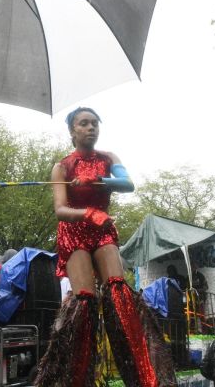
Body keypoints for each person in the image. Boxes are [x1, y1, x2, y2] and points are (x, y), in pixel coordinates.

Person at [34, 107, 176, 386]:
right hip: (75, 230)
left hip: (102, 231)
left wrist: (97, 180)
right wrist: (87, 213)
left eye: (94, 123)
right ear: (72, 132)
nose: (91, 128)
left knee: (118, 290)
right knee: (84, 301)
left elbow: (127, 184)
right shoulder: (62, 167)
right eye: (84, 124)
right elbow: (61, 210)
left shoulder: (109, 159)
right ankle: (73, 378)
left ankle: (147, 377)